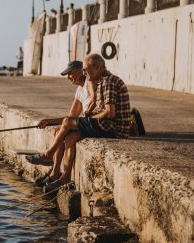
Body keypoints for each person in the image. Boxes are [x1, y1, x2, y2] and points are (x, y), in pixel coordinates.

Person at [30, 53, 131, 193]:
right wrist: (49, 122)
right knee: (70, 137)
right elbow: (95, 105)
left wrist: (89, 119)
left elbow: (110, 112)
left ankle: (48, 154)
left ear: (98, 68)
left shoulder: (109, 82)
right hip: (108, 124)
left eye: (86, 70)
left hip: (114, 128)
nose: (84, 73)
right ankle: (64, 176)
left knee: (66, 123)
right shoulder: (102, 80)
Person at [25, 60, 92, 190]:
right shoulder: (79, 90)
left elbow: (74, 118)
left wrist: (54, 122)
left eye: (70, 74)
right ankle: (55, 172)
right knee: (57, 131)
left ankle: (49, 156)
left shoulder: (90, 86)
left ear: (80, 71)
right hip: (83, 123)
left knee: (68, 137)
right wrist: (49, 122)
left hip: (90, 123)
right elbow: (71, 116)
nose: (68, 78)